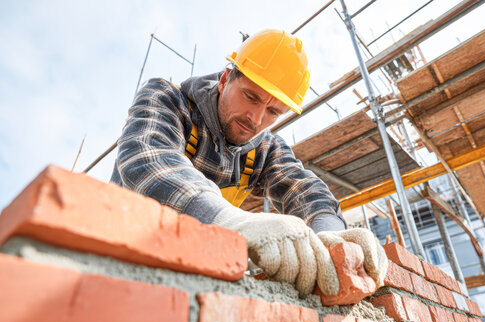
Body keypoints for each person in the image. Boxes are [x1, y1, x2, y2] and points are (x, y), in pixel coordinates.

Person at [111, 29, 387, 297]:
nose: (255, 119)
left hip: (178, 283)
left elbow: (304, 190)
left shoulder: (266, 149)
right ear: (225, 79)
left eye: (273, 111)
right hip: (113, 256)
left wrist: (332, 234)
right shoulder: (168, 100)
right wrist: (230, 221)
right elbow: (148, 159)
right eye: (251, 96)